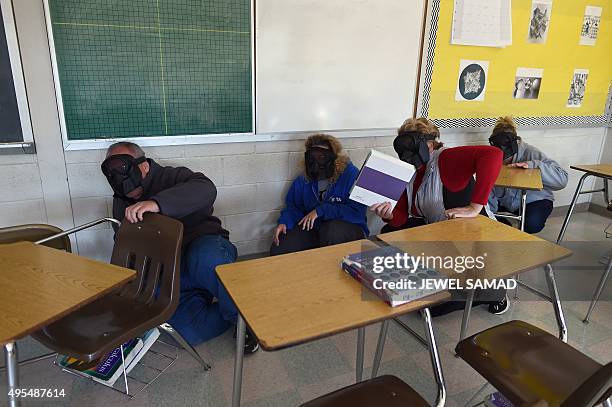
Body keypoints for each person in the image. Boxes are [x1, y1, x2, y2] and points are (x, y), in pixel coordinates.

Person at [100, 141, 258, 353]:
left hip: (204, 246)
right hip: (172, 268)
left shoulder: (172, 176)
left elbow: (206, 188)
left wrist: (156, 203)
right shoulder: (121, 201)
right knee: (184, 333)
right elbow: (129, 245)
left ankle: (243, 320)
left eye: (122, 168)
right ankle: (243, 302)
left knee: (204, 259)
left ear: (144, 166)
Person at [369, 118, 508, 315]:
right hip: (444, 240)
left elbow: (493, 154)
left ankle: (494, 291)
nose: (407, 154)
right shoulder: (410, 171)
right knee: (390, 234)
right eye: (403, 147)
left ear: (430, 144)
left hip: (471, 242)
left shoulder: (447, 159)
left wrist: (476, 206)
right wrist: (389, 214)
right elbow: (399, 218)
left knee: (428, 306)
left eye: (413, 146)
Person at [271, 134, 368, 255]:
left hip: (347, 227)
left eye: (321, 156)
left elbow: (357, 212)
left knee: (332, 231)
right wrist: (284, 222)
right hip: (316, 228)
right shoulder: (303, 179)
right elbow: (294, 207)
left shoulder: (351, 175)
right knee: (281, 245)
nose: (316, 161)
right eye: (312, 157)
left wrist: (322, 210)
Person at [488, 116, 568, 234]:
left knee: (532, 224)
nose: (504, 161)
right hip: (504, 201)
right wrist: (491, 217)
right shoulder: (491, 155)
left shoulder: (531, 152)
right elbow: (488, 189)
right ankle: (506, 228)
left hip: (534, 200)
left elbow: (562, 180)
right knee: (484, 214)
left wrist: (534, 165)